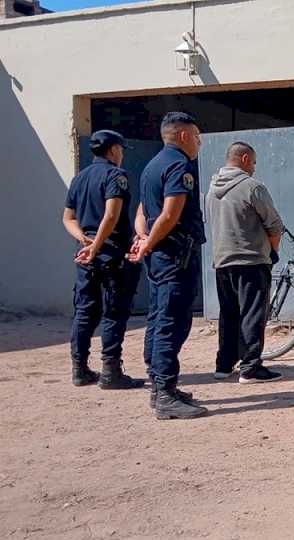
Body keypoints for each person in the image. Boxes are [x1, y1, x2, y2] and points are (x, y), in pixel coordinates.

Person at [129, 112, 208, 420]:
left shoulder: (152, 166)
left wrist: (144, 237)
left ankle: (160, 388)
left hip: (160, 256)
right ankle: (164, 393)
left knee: (160, 316)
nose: (199, 143)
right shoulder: (179, 166)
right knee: (172, 322)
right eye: (198, 137)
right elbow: (170, 215)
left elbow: (142, 211)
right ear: (185, 136)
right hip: (175, 257)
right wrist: (149, 241)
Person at [61, 129, 145, 390]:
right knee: (114, 311)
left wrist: (85, 241)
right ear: (112, 150)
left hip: (86, 255)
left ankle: (80, 368)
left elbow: (68, 218)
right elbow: (111, 215)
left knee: (85, 311)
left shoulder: (79, 178)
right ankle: (110, 371)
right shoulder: (115, 176)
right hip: (109, 254)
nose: (121, 155)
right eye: (120, 149)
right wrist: (96, 245)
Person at [207, 142, 285, 383]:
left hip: (222, 260)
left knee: (229, 314)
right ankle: (251, 367)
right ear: (243, 159)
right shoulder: (252, 187)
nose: (253, 167)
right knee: (253, 314)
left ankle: (224, 364)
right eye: (252, 162)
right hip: (251, 260)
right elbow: (274, 225)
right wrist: (272, 252)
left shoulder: (211, 188)